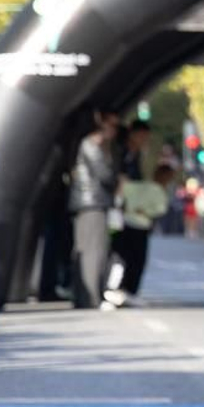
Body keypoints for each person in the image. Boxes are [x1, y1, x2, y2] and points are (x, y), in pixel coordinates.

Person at [105, 121, 166, 307]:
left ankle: (129, 290)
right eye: (141, 136)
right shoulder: (120, 153)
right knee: (121, 252)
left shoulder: (139, 155)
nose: (143, 140)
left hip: (138, 212)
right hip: (120, 210)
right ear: (132, 134)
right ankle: (115, 287)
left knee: (137, 254)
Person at [70, 107, 120, 311]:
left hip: (90, 201)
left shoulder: (92, 145)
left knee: (89, 248)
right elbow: (105, 174)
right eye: (112, 125)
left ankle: (85, 295)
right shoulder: (91, 145)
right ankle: (90, 297)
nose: (114, 130)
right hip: (91, 201)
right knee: (93, 250)